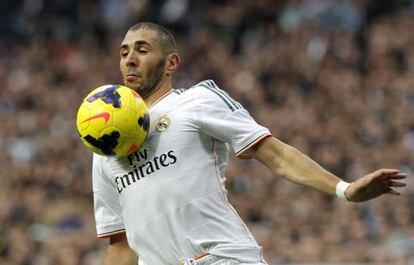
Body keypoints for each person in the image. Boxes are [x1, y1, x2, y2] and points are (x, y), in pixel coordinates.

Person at [92, 22, 406, 265]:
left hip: (223, 258)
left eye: (142, 50)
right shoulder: (104, 146)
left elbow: (276, 155)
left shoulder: (196, 101)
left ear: (172, 62)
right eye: (123, 53)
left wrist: (345, 190)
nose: (130, 60)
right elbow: (120, 244)